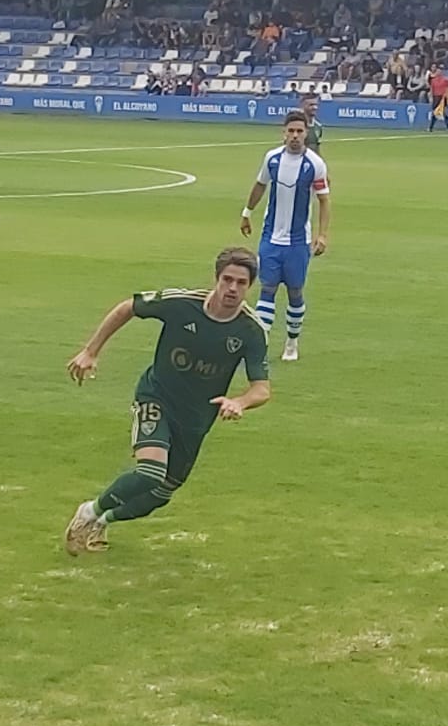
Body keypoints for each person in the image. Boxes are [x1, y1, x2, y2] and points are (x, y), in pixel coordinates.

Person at [61, 247, 273, 554]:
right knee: (150, 472)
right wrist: (91, 351)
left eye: (241, 283)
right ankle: (87, 513)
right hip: (156, 398)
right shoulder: (181, 304)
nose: (232, 288)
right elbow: (127, 308)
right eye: (227, 279)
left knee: (161, 493)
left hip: (196, 420)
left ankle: (103, 520)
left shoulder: (251, 331)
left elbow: (262, 389)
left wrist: (240, 402)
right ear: (216, 278)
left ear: (249, 286)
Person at [241, 111, 332, 362]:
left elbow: (324, 200)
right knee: (266, 289)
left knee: (295, 292)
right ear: (283, 133)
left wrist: (322, 235)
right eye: (290, 131)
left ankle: (292, 342)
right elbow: (260, 185)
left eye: (299, 131)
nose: (294, 136)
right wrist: (247, 212)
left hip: (297, 243)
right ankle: (260, 346)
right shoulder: (271, 159)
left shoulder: (314, 164)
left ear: (305, 134)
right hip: (270, 239)